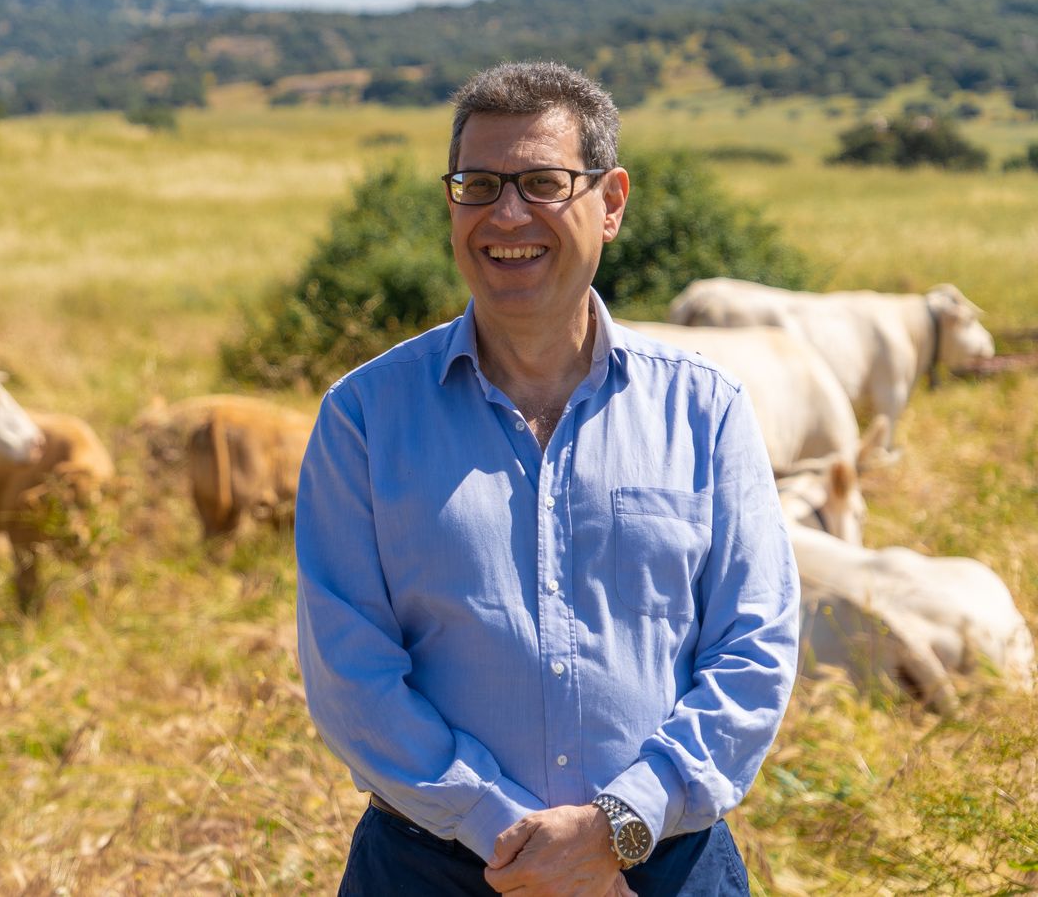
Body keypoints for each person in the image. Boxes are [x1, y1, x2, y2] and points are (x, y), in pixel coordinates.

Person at [294, 60, 800, 896]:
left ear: (612, 203)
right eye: (478, 184)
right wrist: (511, 836)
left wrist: (619, 825)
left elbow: (755, 647)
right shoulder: (362, 418)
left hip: (661, 864)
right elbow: (352, 677)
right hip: (430, 867)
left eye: (541, 182)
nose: (506, 214)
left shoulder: (705, 409)